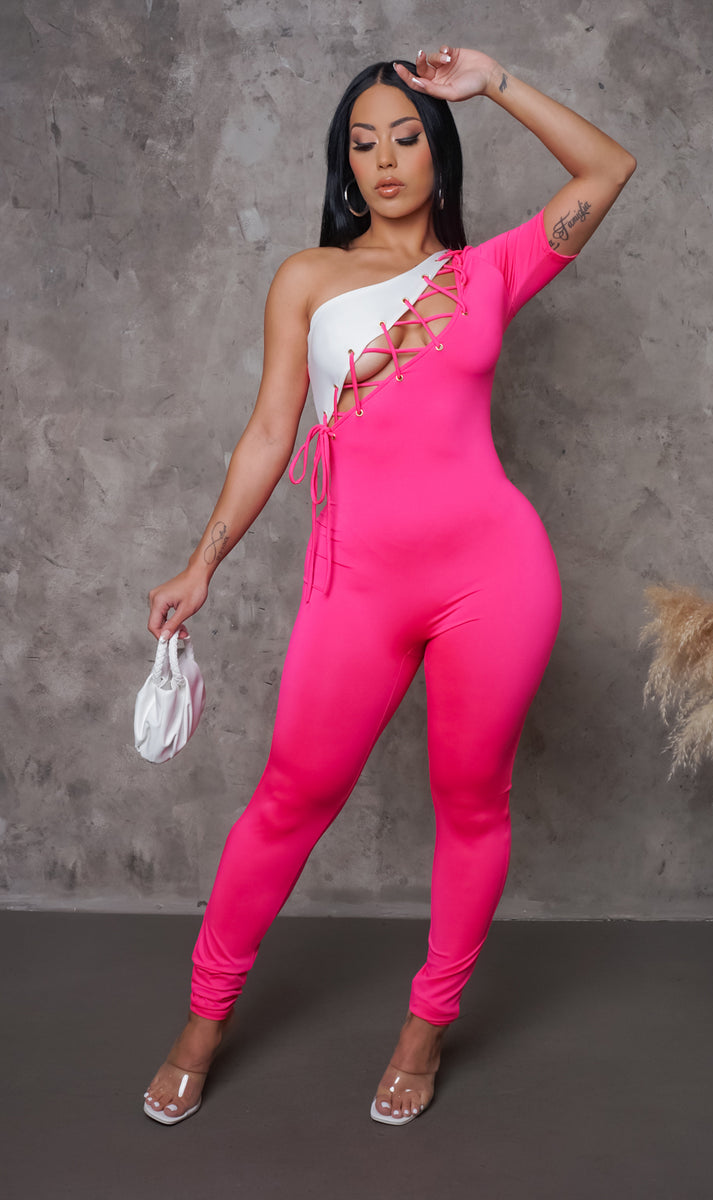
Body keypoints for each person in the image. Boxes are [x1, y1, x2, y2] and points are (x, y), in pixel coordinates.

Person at [142, 44, 635, 1127]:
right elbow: (270, 432)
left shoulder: (491, 270)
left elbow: (607, 170)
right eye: (362, 143)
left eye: (405, 136)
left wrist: (493, 82)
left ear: (437, 150)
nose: (385, 159)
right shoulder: (306, 280)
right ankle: (202, 1021)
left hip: (493, 579)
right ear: (344, 165)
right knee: (288, 800)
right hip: (354, 587)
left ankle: (426, 1027)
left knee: (472, 805)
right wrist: (202, 560)